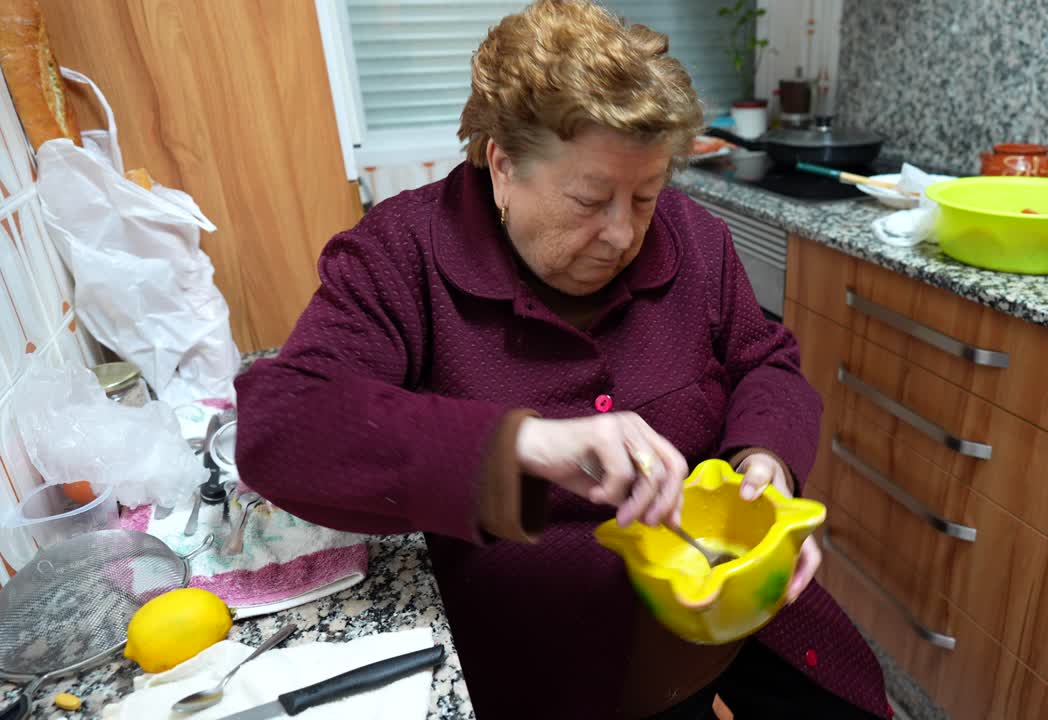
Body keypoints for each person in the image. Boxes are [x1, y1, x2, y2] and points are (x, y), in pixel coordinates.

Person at [236, 1, 889, 717]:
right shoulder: (402, 255)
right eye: (589, 199)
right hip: (543, 667)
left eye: (645, 195)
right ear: (503, 164)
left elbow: (765, 361)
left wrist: (765, 462)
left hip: (734, 619)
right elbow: (283, 425)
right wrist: (522, 442)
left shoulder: (693, 238)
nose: (622, 234)